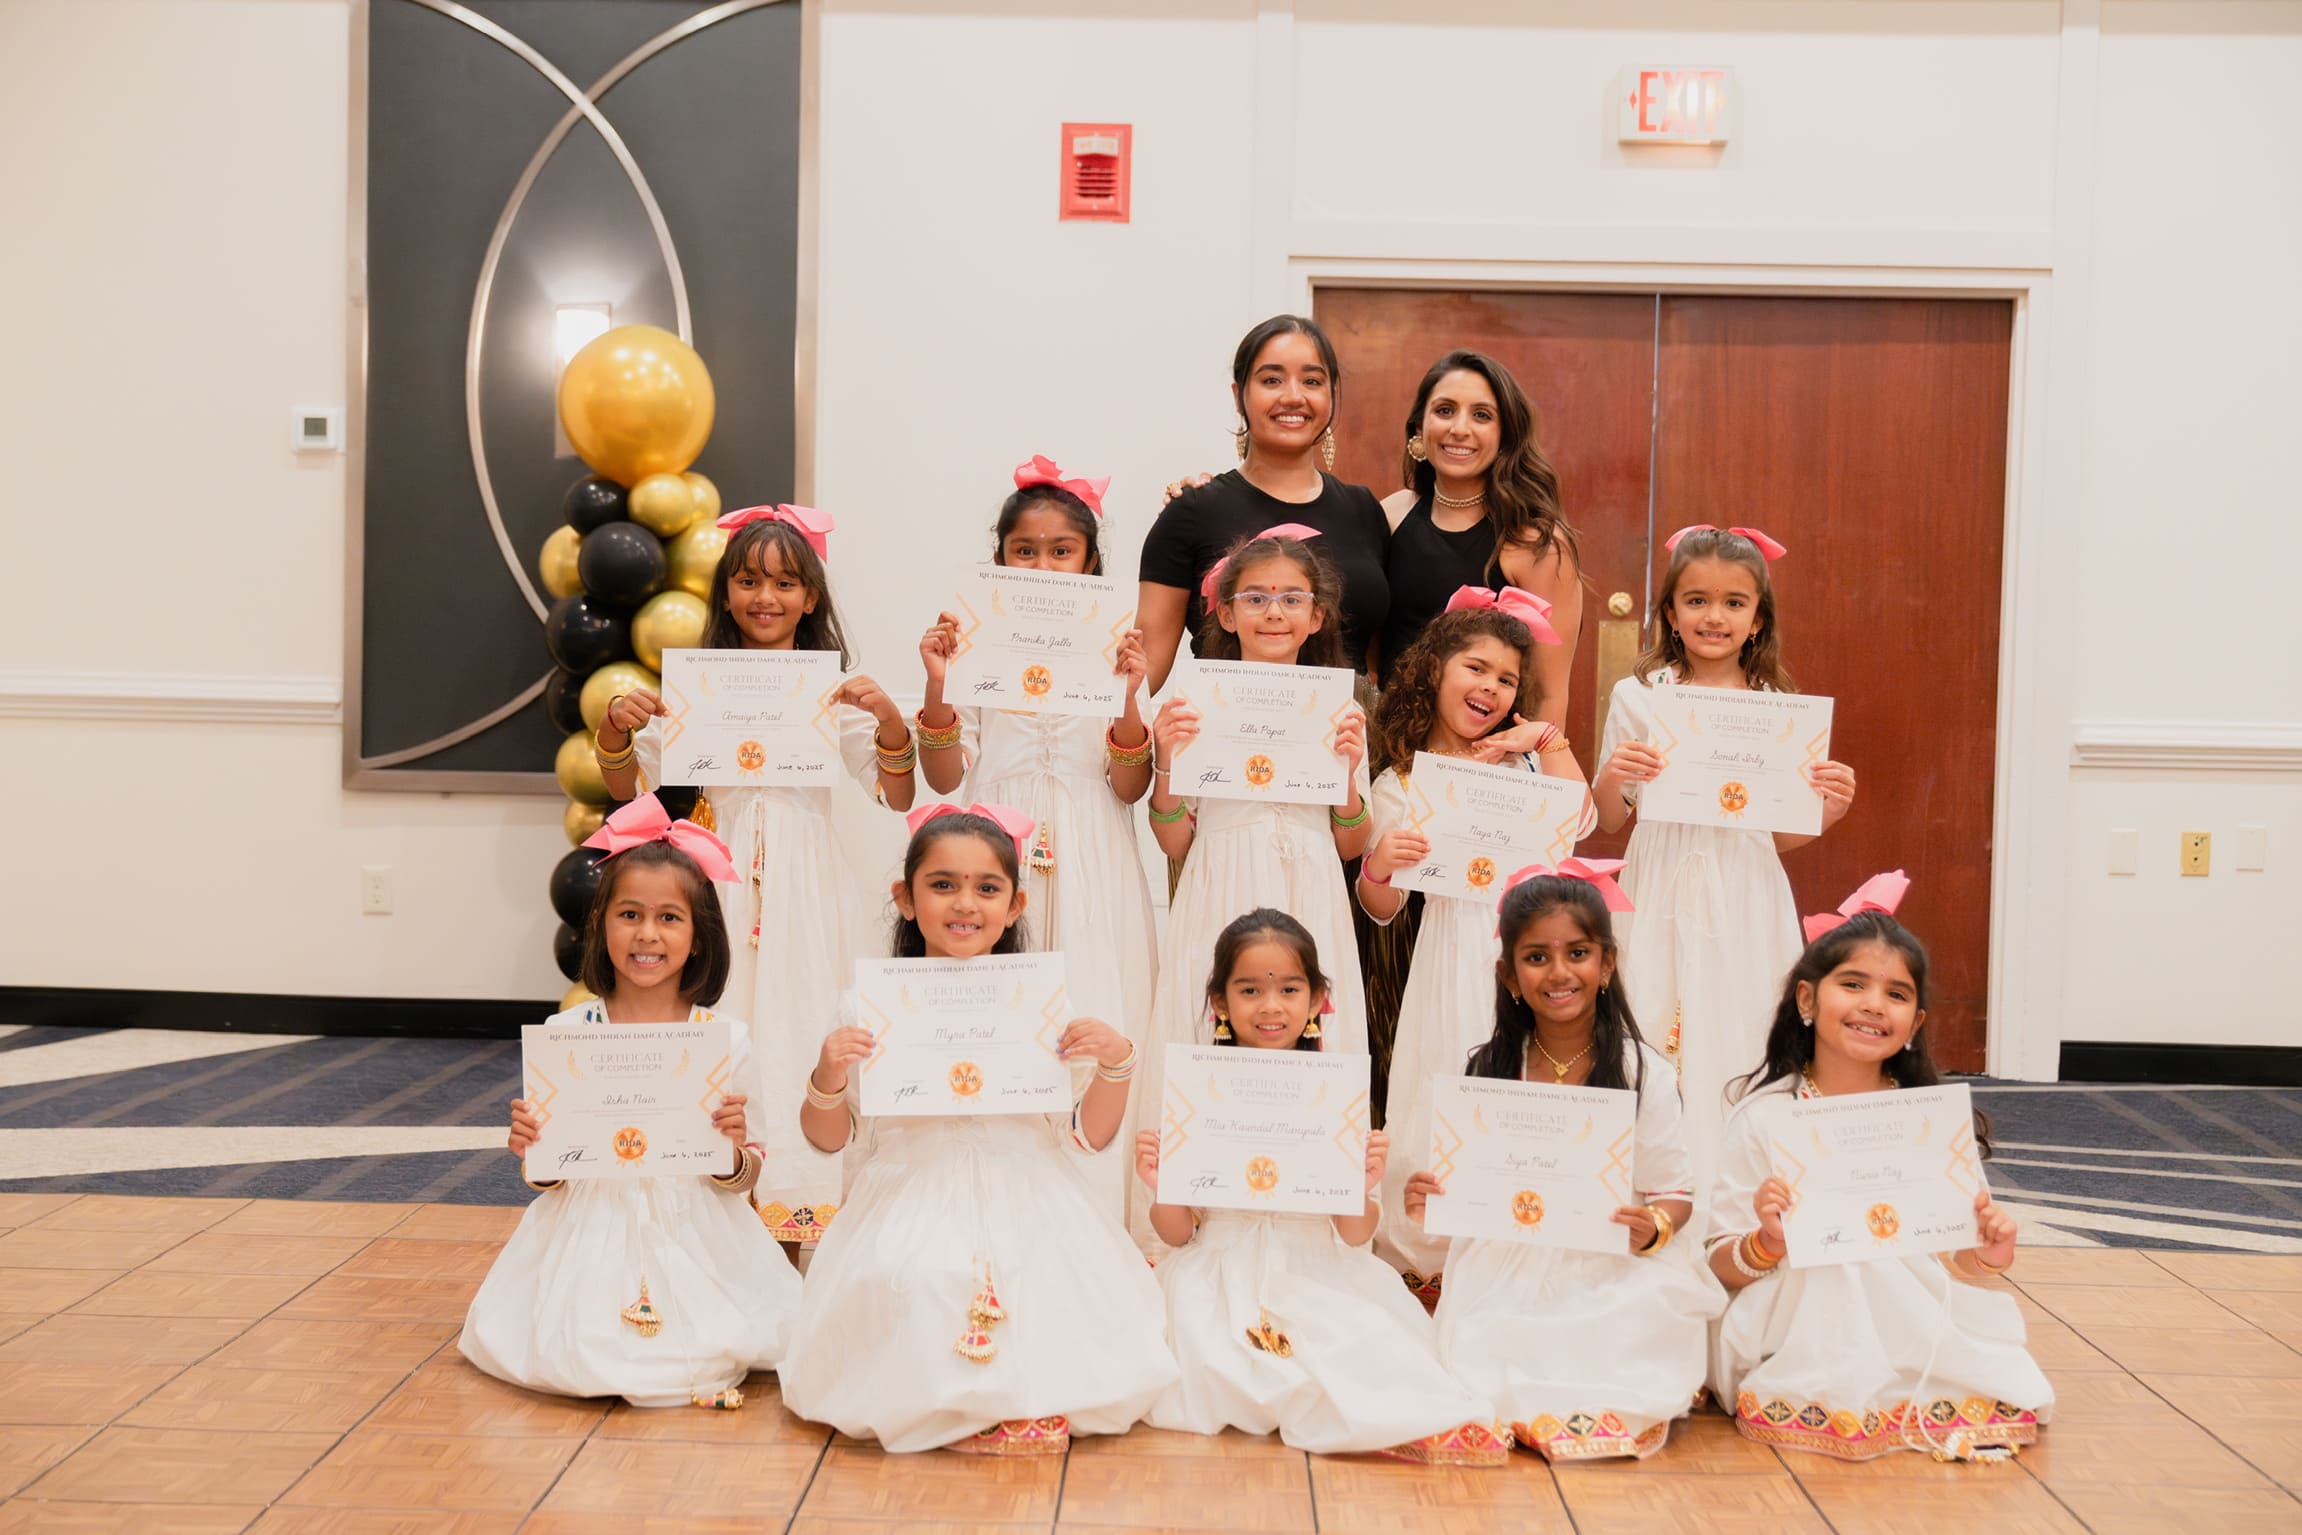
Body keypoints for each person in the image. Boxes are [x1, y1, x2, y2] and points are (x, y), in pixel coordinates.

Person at [775, 804, 1177, 1455]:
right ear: (905, 898)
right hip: (910, 1192)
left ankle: (1021, 1399)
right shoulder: (866, 1006)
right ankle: (950, 1405)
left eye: (987, 888)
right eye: (943, 884)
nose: (965, 903)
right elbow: (827, 1138)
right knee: (919, 1277)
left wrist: (1117, 1062)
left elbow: (1088, 1136)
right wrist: (826, 1075)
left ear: (1015, 905)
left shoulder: (1044, 1005)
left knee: (1041, 1281)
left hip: (1031, 1188)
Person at [591, 505, 911, 1250]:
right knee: (722, 1019)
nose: (766, 597)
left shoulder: (830, 691)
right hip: (720, 877)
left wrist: (891, 721)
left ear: (810, 597)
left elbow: (896, 794)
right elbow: (628, 788)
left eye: (785, 583)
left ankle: (802, 1212)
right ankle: (712, 1216)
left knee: (804, 1023)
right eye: (748, 581)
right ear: (726, 593)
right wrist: (616, 726)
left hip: (811, 885)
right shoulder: (697, 687)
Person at [462, 796, 799, 1408]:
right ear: (600, 926)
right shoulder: (565, 1036)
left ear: (699, 936)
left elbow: (747, 1175)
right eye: (629, 914)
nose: (648, 934)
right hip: (591, 1227)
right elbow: (550, 1178)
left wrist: (730, 1150)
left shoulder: (726, 1041)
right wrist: (534, 1148)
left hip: (699, 1228)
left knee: (724, 1338)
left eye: (670, 917)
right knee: (578, 1346)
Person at [1136, 909, 1506, 1465]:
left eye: (1289, 989)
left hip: (1315, 1267)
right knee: (1200, 1353)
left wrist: (1360, 1185)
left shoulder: (1335, 1097)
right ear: (1220, 1002)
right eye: (1250, 990)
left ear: (1316, 1001)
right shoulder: (1196, 1094)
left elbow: (1354, 1236)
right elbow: (1177, 1233)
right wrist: (1162, 1185)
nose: (1270, 1006)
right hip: (1216, 1269)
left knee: (1355, 1352)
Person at [1706, 895, 2052, 1461]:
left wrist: (1990, 1251)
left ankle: (1904, 1382)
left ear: (1915, 1023)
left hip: (1908, 1310)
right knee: (1837, 1269)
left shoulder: (1927, 1119)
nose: (1873, 1005)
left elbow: (1954, 1255)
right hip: (1790, 1315)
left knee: (1969, 1363)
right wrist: (1768, 1241)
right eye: (1853, 984)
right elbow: (1720, 1262)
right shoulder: (1765, 1117)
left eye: (1896, 994)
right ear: (1807, 998)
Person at [1402, 869, 1724, 1460]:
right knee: (1488, 1345)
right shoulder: (1489, 1069)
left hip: (1614, 1256)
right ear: (1509, 976)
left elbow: (1675, 1191)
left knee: (1626, 1326)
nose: (1558, 973)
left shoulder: (1643, 1071)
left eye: (1577, 953)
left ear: (1606, 965)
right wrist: (1433, 1199)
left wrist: (1656, 1227)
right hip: (1509, 1259)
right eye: (1536, 957)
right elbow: (1471, 1189)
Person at [912, 458, 1158, 1220]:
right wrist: (939, 681)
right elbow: (944, 775)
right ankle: (999, 1204)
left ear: (1090, 561)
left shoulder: (1113, 645)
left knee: (1095, 999)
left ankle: (1092, 1212)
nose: (1043, 565)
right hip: (996, 847)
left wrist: (1128, 695)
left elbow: (1129, 785)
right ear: (1001, 558)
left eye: (1062, 550)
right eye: (1025, 550)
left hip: (1094, 847)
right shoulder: (975, 645)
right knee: (1001, 1016)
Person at [1590, 525, 1856, 1194]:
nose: (1715, 616)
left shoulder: (1777, 711)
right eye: (1697, 600)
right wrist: (1614, 774)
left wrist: (1827, 811)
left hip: (1744, 884)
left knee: (1745, 1014)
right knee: (1649, 1009)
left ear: (1758, 618)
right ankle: (1650, 1184)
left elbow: (1778, 835)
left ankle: (1738, 1187)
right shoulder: (1638, 696)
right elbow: (1611, 817)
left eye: (1734, 602)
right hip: (1660, 880)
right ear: (1671, 612)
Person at [1359, 590, 1587, 1297]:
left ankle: (1522, 1237)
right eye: (1476, 667)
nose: (1490, 686)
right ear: (1435, 670)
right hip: (1450, 951)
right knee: (1441, 1083)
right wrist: (1380, 864)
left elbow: (1580, 821)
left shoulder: (1528, 769)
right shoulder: (1402, 782)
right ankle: (1429, 1260)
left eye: (1508, 678)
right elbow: (1381, 908)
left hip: (1527, 956)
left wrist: (1547, 741)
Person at [1138, 315, 1390, 689]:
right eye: (1272, 380)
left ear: (1332, 395)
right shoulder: (1192, 512)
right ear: (1238, 395)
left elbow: (1378, 663)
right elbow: (1143, 673)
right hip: (1227, 725)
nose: (1293, 396)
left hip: (1347, 726)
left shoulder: (1364, 509)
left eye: (1312, 381)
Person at [1373, 350, 1583, 722]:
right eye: (1445, 410)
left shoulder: (1535, 545)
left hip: (1489, 754)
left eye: (1481, 415)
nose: (1459, 428)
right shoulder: (1391, 515)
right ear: (1419, 427)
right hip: (1390, 748)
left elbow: (1549, 694)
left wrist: (1537, 758)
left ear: (1505, 435)